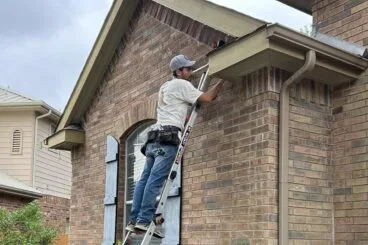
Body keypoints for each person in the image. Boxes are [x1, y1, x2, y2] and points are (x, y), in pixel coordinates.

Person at [126, 54, 224, 238]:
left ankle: (134, 220)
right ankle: (144, 221)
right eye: (187, 69)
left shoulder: (165, 86)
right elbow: (208, 97)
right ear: (178, 71)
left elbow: (175, 108)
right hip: (167, 139)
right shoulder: (181, 84)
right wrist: (222, 80)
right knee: (154, 181)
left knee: (144, 180)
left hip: (154, 138)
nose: (190, 72)